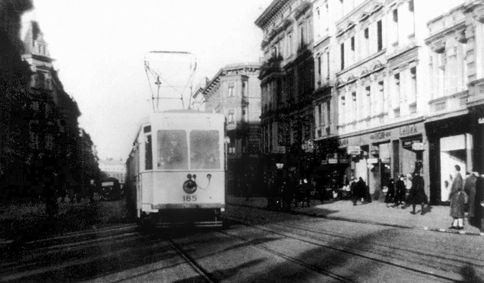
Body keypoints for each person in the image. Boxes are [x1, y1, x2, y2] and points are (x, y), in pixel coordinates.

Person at [449, 165, 466, 230]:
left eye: (454, 169)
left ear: (456, 169)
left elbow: (458, 187)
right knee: (455, 211)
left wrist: (452, 193)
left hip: (457, 196)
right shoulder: (457, 176)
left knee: (458, 211)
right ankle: (455, 224)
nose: (453, 170)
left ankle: (460, 225)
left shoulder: (458, 177)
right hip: (456, 195)